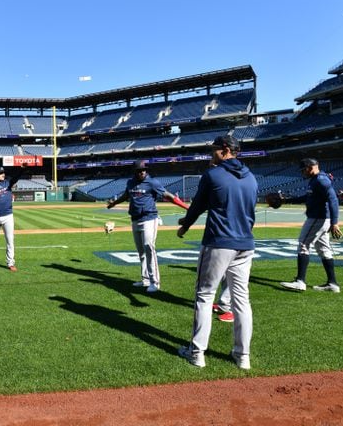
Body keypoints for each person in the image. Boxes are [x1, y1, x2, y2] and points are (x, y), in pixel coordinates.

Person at [176, 135, 257, 369]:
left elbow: (198, 206)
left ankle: (196, 352)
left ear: (224, 150)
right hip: (245, 243)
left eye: (213, 150)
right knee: (242, 301)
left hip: (219, 242)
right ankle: (243, 356)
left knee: (204, 295)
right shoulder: (251, 177)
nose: (211, 153)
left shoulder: (213, 174)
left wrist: (185, 226)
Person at [107, 160, 189, 292]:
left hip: (149, 219)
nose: (142, 172)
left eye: (144, 170)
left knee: (149, 247)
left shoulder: (152, 182)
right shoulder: (130, 182)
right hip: (135, 219)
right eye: (139, 170)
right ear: (135, 172)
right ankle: (145, 279)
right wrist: (114, 203)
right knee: (141, 252)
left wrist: (186, 207)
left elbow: (168, 196)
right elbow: (126, 195)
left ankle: (155, 282)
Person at [280, 158, 343, 293]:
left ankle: (300, 281)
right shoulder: (316, 180)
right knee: (324, 249)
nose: (302, 173)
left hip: (318, 218)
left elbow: (333, 199)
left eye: (303, 170)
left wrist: (335, 222)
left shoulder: (321, 180)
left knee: (303, 244)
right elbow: (308, 197)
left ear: (310, 167)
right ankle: (333, 284)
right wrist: (287, 200)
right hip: (321, 218)